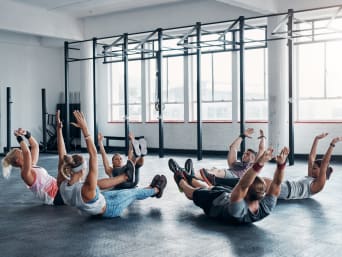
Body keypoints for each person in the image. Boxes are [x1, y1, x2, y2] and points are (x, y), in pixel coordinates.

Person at [57, 110, 167, 218]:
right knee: (133, 193)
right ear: (82, 170)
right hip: (110, 208)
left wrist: (59, 130)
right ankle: (156, 189)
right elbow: (93, 155)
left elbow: (62, 156)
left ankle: (136, 181)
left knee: (101, 185)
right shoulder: (86, 189)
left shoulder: (63, 185)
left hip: (101, 198)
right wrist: (85, 129)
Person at [199, 133, 342, 200]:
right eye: (314, 168)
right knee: (252, 183)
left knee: (254, 182)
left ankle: (215, 181)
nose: (312, 169)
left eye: (315, 169)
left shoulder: (319, 184)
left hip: (286, 190)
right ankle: (215, 183)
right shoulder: (311, 176)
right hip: (285, 185)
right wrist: (316, 139)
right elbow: (311, 158)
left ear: (322, 174)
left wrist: (332, 145)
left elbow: (323, 165)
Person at [168, 147, 289, 224]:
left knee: (192, 193)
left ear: (245, 194)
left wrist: (260, 164)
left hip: (214, 205)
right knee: (209, 188)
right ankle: (190, 177)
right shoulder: (266, 207)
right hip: (225, 195)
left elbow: (242, 184)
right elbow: (277, 184)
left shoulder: (238, 210)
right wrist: (281, 165)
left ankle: (180, 179)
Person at [2, 128, 64, 205]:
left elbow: (35, 146)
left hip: (60, 188)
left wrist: (26, 134)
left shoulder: (32, 165)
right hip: (55, 196)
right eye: (20, 152)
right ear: (18, 160)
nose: (22, 151)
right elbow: (27, 153)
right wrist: (18, 137)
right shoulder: (25, 174)